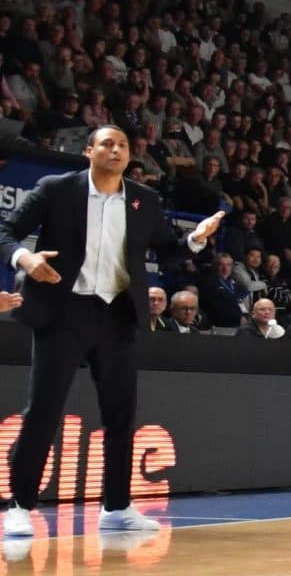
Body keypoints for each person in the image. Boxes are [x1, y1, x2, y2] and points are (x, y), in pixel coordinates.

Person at [1, 124, 222, 538]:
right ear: (89, 151)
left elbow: (170, 251)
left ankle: (117, 507)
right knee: (43, 413)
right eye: (107, 143)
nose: (116, 150)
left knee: (121, 417)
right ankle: (19, 506)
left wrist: (194, 238)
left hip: (117, 315)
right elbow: (5, 231)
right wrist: (24, 260)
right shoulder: (55, 188)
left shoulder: (144, 199)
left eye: (122, 145)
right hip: (62, 313)